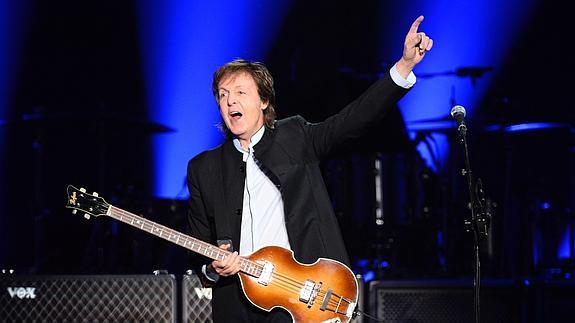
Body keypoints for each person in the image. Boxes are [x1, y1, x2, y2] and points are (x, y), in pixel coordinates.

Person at [187, 15, 433, 322]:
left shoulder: (295, 136)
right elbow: (199, 251)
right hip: (237, 305)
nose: (229, 101)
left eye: (239, 92)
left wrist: (404, 67)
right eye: (222, 95)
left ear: (264, 100)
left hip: (302, 299)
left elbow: (352, 120)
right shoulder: (203, 168)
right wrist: (212, 268)